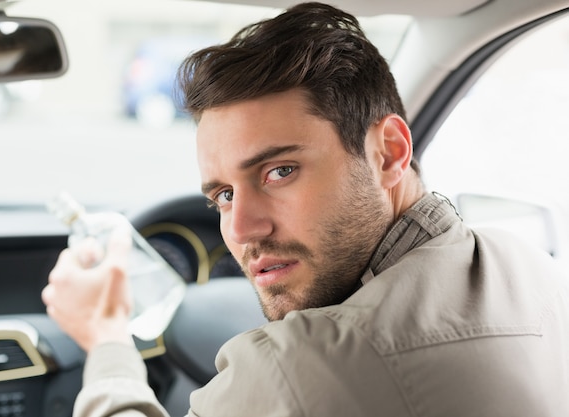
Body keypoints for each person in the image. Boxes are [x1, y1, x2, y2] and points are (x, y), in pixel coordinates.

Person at [41, 2, 569, 416]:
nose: (242, 230)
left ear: (389, 152)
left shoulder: (295, 369)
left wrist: (107, 339)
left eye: (279, 172)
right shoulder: (534, 269)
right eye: (223, 195)